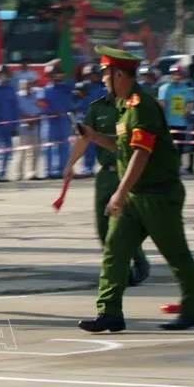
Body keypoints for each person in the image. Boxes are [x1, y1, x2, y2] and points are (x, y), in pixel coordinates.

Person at [77, 46, 194, 333]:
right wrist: (95, 137)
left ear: (119, 74)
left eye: (105, 74)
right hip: (135, 195)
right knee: (115, 250)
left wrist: (119, 193)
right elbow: (124, 148)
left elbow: (141, 154)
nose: (102, 80)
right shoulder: (124, 106)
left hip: (157, 195)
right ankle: (109, 312)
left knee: (175, 254)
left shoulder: (141, 106)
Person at [64, 92, 151, 287]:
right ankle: (132, 264)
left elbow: (130, 140)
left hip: (126, 172)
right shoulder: (97, 108)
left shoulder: (133, 104)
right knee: (103, 227)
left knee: (122, 226)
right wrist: (70, 164)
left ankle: (126, 269)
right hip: (105, 175)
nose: (104, 80)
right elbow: (84, 138)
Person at [157, 64, 194, 170]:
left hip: (182, 122)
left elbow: (190, 103)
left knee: (181, 147)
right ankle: (168, 166)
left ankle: (178, 166)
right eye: (174, 74)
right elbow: (161, 104)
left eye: (178, 74)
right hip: (168, 122)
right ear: (171, 75)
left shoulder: (186, 89)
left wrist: (188, 111)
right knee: (168, 146)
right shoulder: (164, 88)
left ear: (182, 75)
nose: (176, 76)